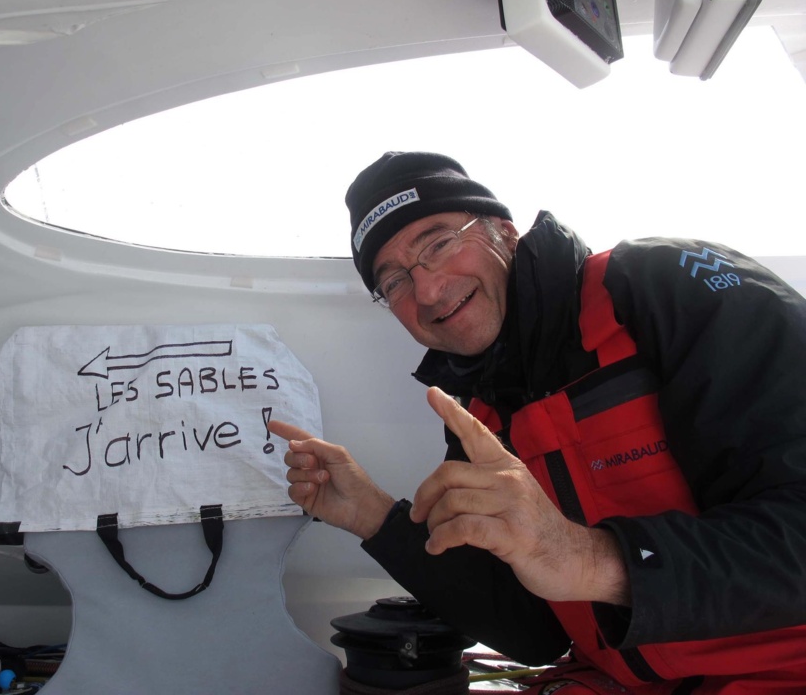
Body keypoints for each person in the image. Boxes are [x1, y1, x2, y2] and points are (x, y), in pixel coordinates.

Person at [268, 151, 806, 694]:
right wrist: (374, 516)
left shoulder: (664, 287)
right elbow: (535, 633)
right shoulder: (477, 414)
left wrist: (590, 559)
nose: (427, 290)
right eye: (396, 282)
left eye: (438, 243)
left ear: (505, 232)